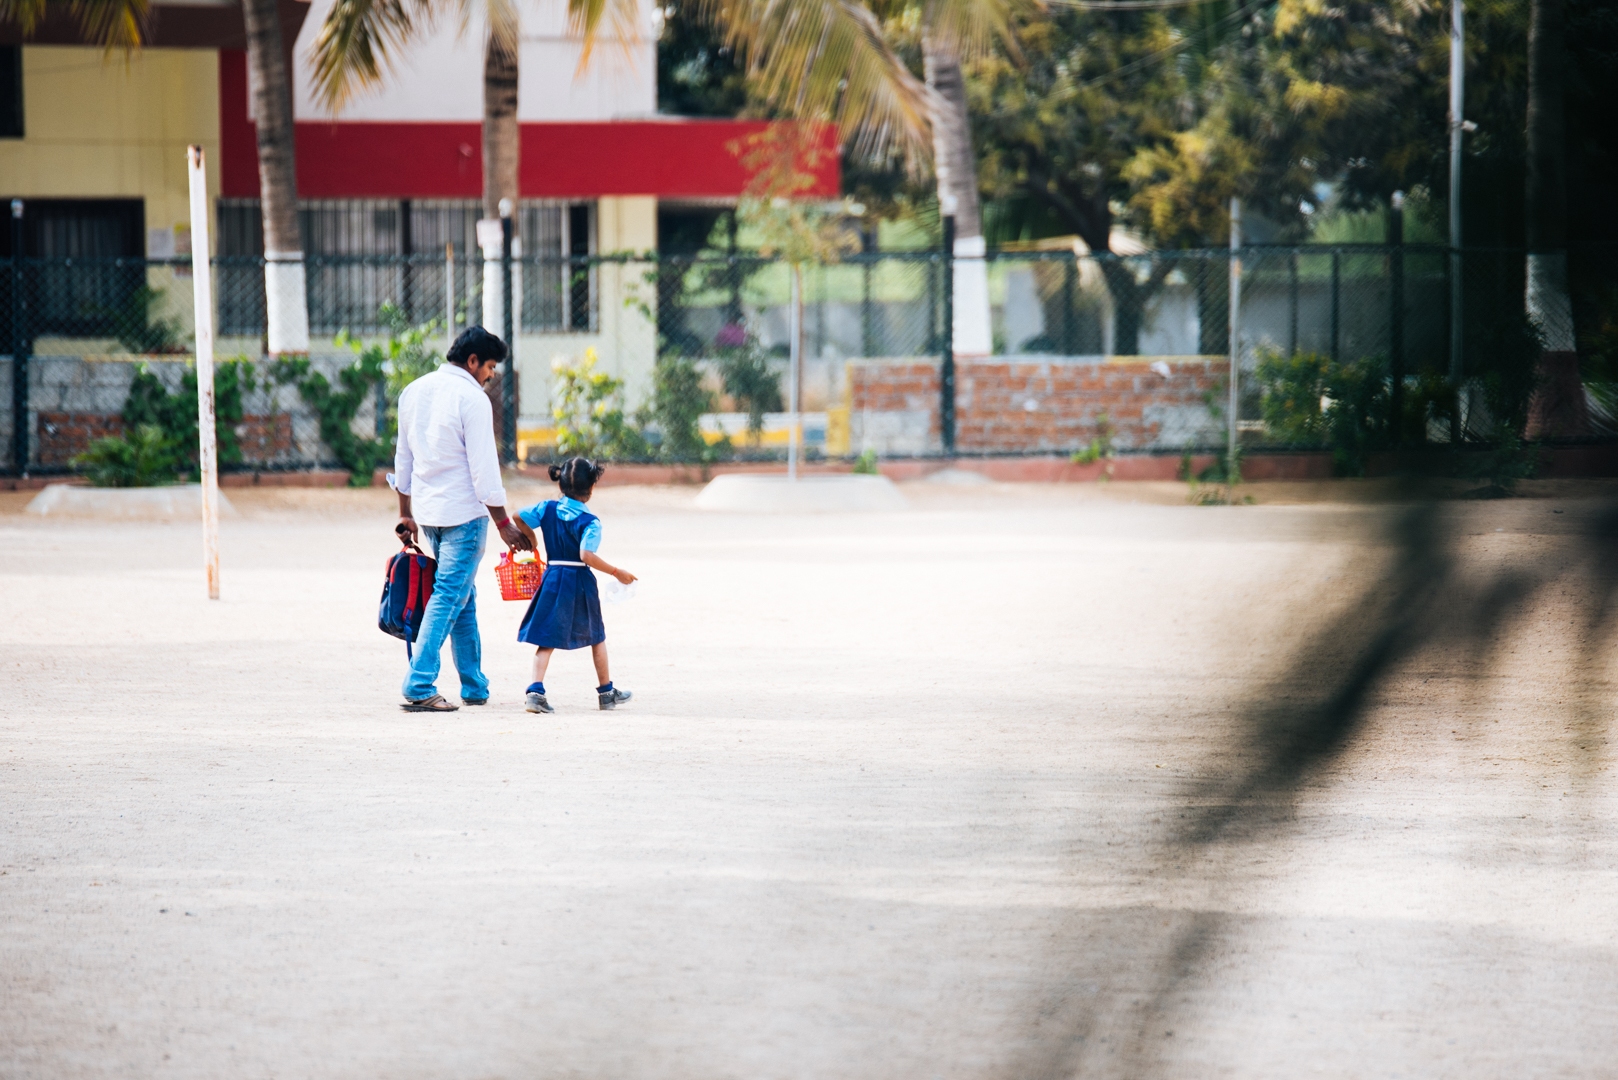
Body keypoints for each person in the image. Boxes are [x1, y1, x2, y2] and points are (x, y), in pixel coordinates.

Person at [392, 326, 533, 712]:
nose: (491, 374)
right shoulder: (472, 399)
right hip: (464, 517)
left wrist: (404, 513)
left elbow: (403, 458)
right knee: (449, 596)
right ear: (472, 361)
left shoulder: (413, 391)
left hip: (429, 514)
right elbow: (484, 471)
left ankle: (473, 685)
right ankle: (419, 683)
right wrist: (503, 524)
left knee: (462, 595)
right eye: (489, 366)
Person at [512, 456, 637, 713]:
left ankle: (535, 692)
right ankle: (606, 693)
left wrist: (531, 538)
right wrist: (617, 572)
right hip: (579, 581)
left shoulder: (546, 508)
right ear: (591, 487)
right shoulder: (590, 522)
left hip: (553, 576)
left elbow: (517, 515)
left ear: (560, 484)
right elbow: (586, 555)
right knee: (596, 636)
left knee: (546, 637)